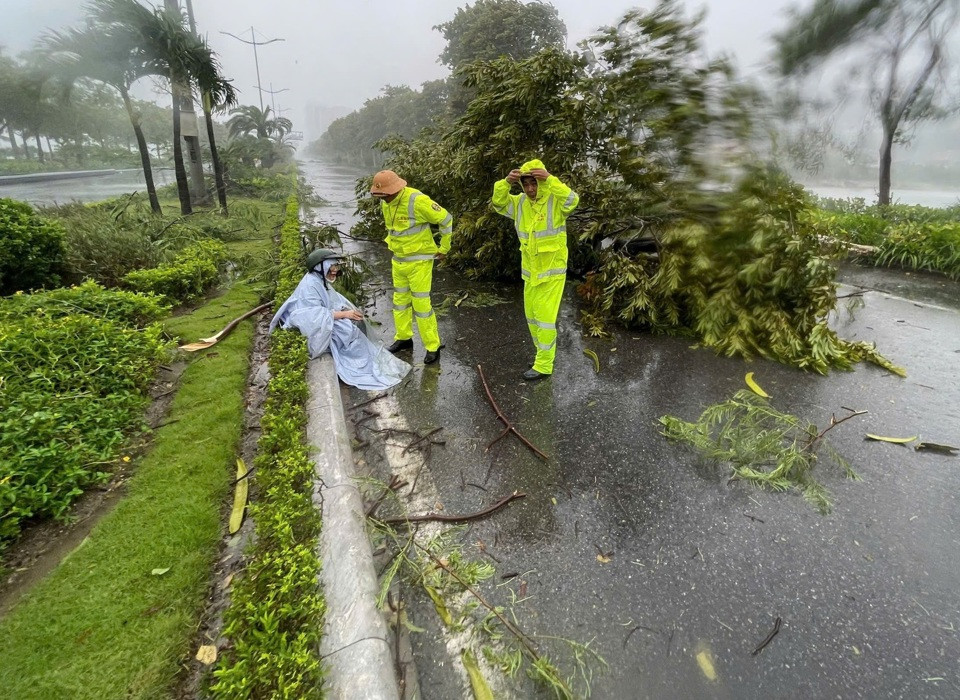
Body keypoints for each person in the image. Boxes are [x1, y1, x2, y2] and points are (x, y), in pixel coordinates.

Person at [269, 248, 410, 390]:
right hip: (312, 327)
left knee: (354, 323)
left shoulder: (318, 280)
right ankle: (360, 362)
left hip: (322, 320)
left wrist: (346, 311)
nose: (335, 270)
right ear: (320, 267)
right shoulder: (310, 285)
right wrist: (344, 314)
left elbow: (332, 301)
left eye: (336, 266)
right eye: (332, 266)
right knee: (347, 330)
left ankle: (366, 358)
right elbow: (311, 317)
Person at [491, 158, 579, 380]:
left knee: (545, 319)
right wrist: (505, 183)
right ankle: (541, 354)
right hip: (530, 272)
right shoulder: (520, 203)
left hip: (552, 272)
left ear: (541, 181)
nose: (530, 189)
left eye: (534, 183)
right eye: (526, 184)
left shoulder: (555, 200)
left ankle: (544, 365)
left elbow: (572, 200)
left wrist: (549, 179)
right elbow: (499, 203)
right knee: (531, 317)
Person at [370, 169, 452, 365]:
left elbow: (446, 219)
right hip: (399, 261)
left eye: (385, 195)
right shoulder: (386, 203)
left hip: (420, 262)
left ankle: (432, 346)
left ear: (395, 190)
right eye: (379, 196)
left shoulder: (417, 200)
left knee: (422, 306)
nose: (383, 199)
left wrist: (445, 247)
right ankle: (404, 338)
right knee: (400, 302)